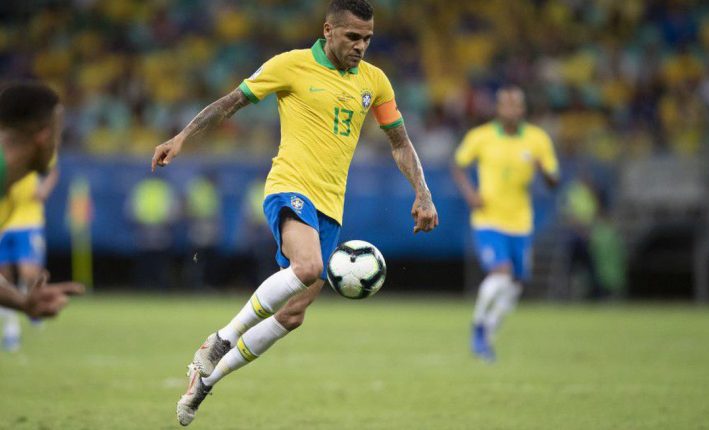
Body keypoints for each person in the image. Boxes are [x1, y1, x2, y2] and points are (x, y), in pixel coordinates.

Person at [151, 1, 438, 425]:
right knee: (308, 267)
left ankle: (205, 381)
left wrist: (423, 192)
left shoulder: (375, 81)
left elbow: (399, 142)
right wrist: (181, 137)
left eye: (367, 39)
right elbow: (231, 102)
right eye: (353, 37)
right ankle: (220, 339)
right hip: (289, 186)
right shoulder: (290, 65)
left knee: (292, 314)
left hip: (330, 205)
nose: (361, 46)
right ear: (328, 30)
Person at [452, 86, 559, 362]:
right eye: (506, 105)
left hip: (521, 222)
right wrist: (470, 194)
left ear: (523, 109)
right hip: (488, 218)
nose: (511, 109)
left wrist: (544, 171)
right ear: (498, 109)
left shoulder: (537, 139)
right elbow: (458, 165)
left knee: (516, 284)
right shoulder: (481, 136)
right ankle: (478, 326)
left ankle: (488, 331)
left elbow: (554, 180)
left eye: (516, 105)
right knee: (501, 271)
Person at [0, 82, 84, 319]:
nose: (58, 144)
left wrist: (23, 302)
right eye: (58, 135)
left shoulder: (9, 191)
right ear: (44, 137)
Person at [0, 168, 59, 351]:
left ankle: (32, 302)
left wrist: (44, 189)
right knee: (4, 276)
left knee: (28, 271)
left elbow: (52, 168)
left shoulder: (28, 150)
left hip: (28, 219)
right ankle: (11, 328)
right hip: (3, 221)